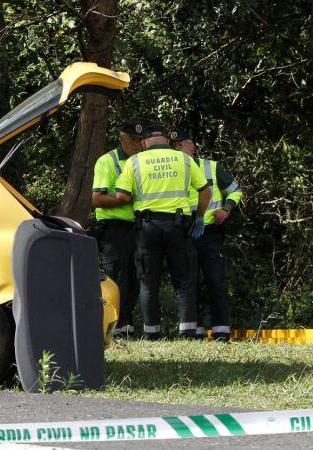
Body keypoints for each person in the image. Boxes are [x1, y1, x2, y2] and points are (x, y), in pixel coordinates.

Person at [113, 124, 211, 340]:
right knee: (184, 281)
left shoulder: (134, 161)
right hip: (178, 226)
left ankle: (152, 334)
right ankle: (186, 333)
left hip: (146, 227)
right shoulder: (184, 160)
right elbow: (205, 191)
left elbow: (120, 196)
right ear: (167, 141)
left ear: (145, 143)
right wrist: (201, 217)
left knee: (148, 282)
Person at [171, 130, 243, 341]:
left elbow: (236, 190)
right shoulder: (174, 169)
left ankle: (221, 332)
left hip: (210, 231)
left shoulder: (212, 167)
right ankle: (193, 332)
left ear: (190, 147)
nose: (174, 151)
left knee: (215, 280)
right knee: (188, 282)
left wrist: (226, 210)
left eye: (178, 146)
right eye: (173, 147)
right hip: (185, 231)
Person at [91, 120, 145, 338]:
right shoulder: (108, 162)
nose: (137, 145)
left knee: (135, 277)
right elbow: (97, 199)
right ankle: (115, 324)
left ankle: (127, 324)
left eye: (140, 141)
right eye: (133, 140)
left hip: (138, 227)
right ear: (121, 139)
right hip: (115, 227)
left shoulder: (143, 161)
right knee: (117, 277)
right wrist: (126, 200)